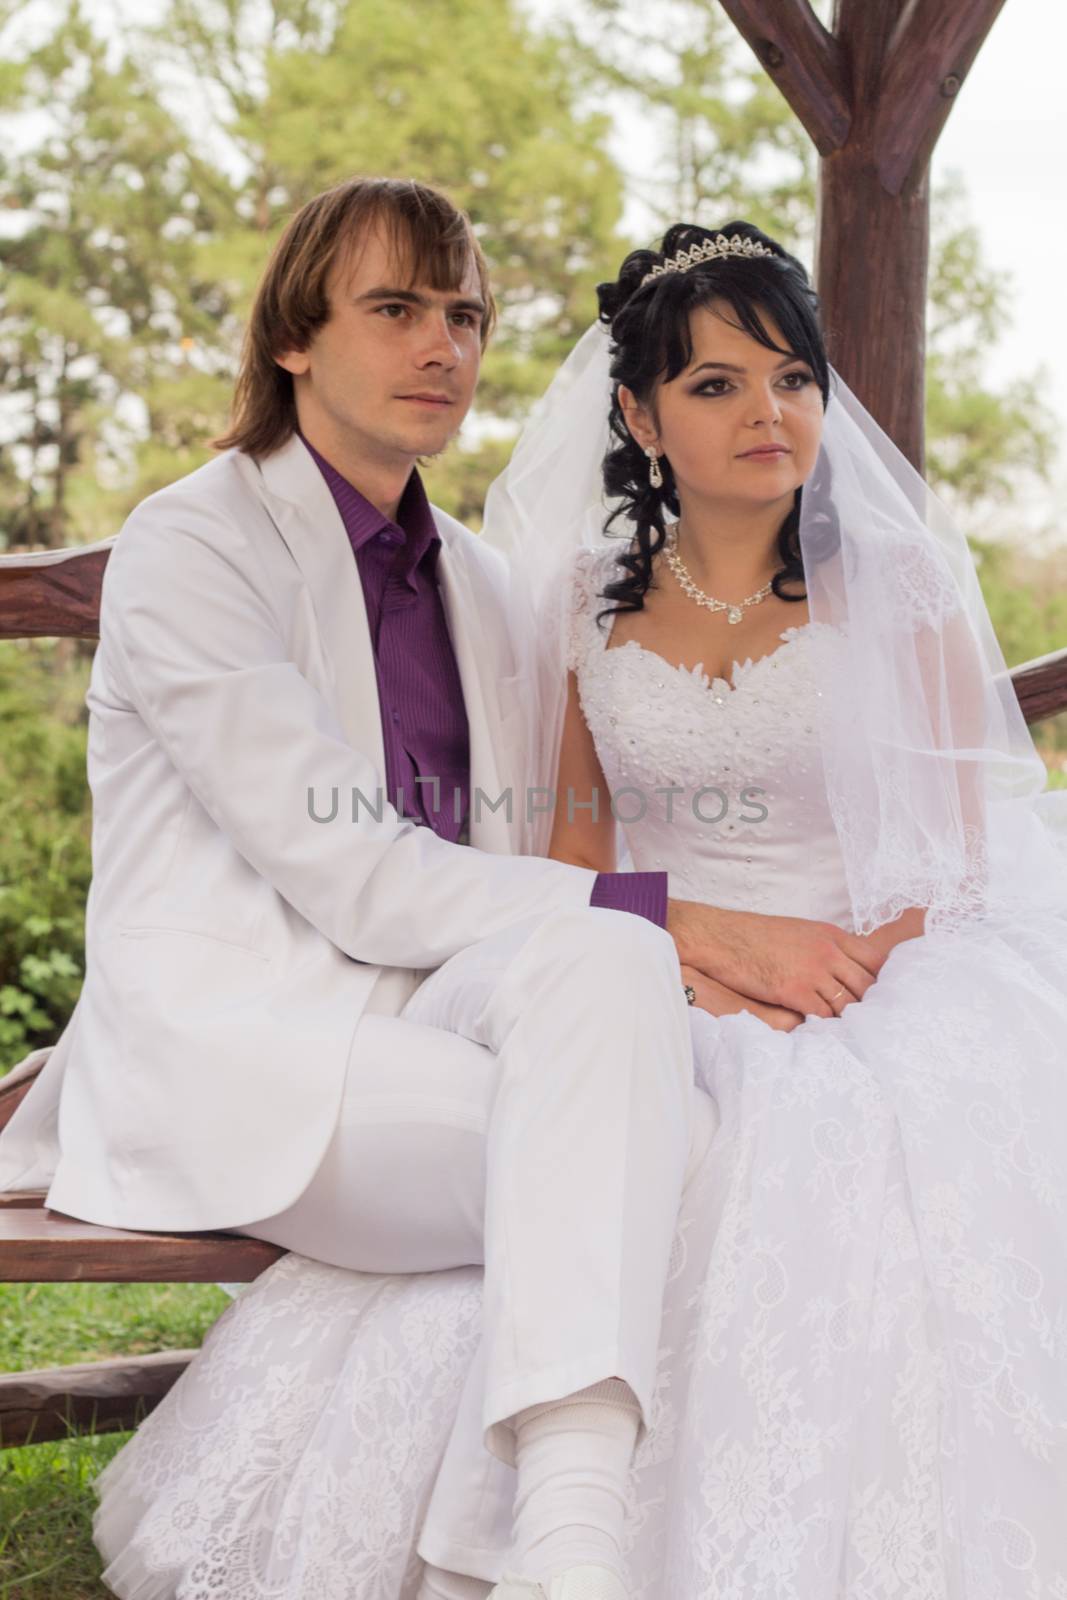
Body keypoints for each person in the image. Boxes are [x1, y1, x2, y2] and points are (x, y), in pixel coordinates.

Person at [84, 217, 1067, 1599]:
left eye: (464, 315)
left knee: (728, 1120)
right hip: (325, 1019)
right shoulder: (238, 550)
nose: (442, 344)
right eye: (395, 309)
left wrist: (776, 961)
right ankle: (569, 1539)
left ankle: (579, 1544)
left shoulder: (497, 585)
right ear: (639, 413)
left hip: (802, 972)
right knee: (648, 1105)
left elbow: (937, 851)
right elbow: (492, 856)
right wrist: (692, 945)